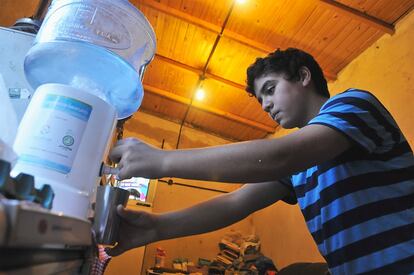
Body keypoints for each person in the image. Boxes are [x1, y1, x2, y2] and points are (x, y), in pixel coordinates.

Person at [107, 48, 414, 274]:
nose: (265, 105)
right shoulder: (299, 167)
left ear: (304, 76)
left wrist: (161, 161)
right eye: (260, 99)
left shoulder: (353, 104)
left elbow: (279, 156)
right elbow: (234, 203)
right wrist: (156, 228)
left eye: (270, 90)